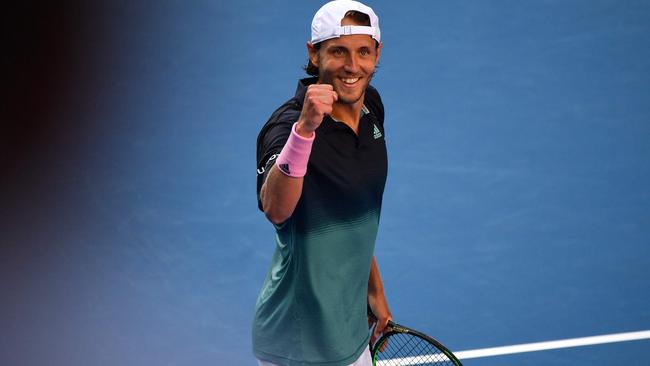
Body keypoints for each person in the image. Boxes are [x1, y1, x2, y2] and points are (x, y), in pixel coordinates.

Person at [253, 1, 391, 365]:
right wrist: (305, 131)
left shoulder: (371, 108)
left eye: (364, 52)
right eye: (338, 52)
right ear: (314, 55)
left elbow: (353, 208)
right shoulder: (286, 128)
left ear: (377, 54)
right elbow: (276, 209)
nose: (352, 66)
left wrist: (373, 287)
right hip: (297, 344)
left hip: (350, 332)